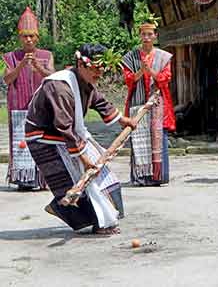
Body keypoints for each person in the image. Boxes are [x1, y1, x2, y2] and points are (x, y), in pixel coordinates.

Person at [25, 44, 136, 234]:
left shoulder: (84, 81)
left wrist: (122, 120)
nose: (98, 75)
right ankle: (97, 222)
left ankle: (101, 215)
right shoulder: (60, 86)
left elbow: (98, 101)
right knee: (78, 181)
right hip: (45, 138)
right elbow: (64, 127)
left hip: (68, 135)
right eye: (94, 70)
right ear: (80, 64)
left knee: (103, 175)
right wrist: (83, 159)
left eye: (101, 70)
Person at [2, 6, 55, 190]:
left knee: (42, 142)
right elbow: (7, 79)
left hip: (40, 107)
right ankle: (23, 179)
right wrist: (22, 65)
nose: (29, 39)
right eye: (25, 36)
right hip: (18, 107)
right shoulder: (11, 57)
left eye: (32, 36)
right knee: (21, 143)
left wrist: (37, 67)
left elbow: (52, 77)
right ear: (20, 38)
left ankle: (42, 180)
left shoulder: (46, 56)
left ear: (37, 37)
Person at [122, 19, 175, 186]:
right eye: (143, 34)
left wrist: (149, 71)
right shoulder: (131, 57)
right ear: (140, 36)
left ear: (155, 36)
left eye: (150, 34)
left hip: (157, 102)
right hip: (137, 102)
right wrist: (141, 71)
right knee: (139, 138)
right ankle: (141, 176)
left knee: (157, 136)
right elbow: (129, 80)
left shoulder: (163, 57)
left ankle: (158, 176)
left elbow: (165, 78)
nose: (146, 37)